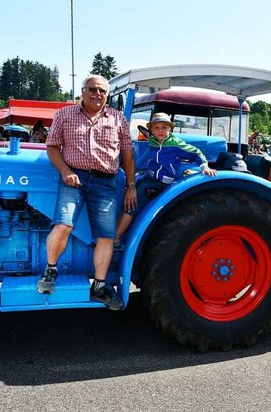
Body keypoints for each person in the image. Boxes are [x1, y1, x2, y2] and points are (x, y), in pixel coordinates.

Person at [39, 74, 136, 310]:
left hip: (105, 182)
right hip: (74, 178)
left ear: (107, 95)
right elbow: (52, 146)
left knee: (106, 236)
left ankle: (99, 286)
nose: (98, 94)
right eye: (92, 89)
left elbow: (127, 154)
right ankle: (50, 270)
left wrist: (131, 186)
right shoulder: (65, 114)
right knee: (63, 224)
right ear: (82, 91)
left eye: (103, 91)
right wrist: (64, 171)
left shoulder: (117, 119)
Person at [114, 112, 217, 242]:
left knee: (132, 203)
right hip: (149, 176)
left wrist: (204, 167)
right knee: (128, 192)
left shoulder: (175, 143)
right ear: (151, 130)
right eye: (156, 128)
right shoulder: (153, 140)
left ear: (170, 128)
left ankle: (116, 238)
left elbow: (195, 152)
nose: (160, 130)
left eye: (164, 127)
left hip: (160, 183)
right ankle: (116, 228)